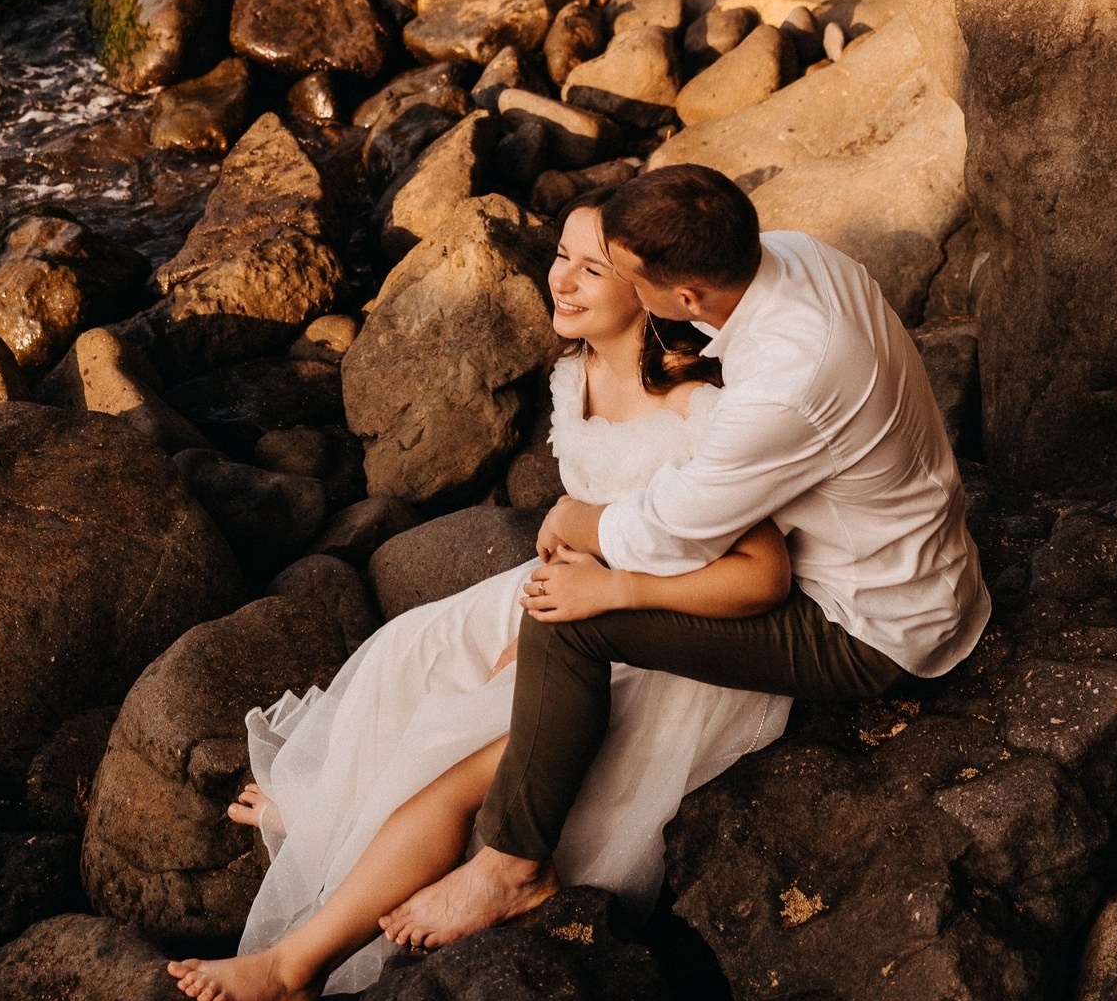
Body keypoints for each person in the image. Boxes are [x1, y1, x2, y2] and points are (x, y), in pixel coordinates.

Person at [168, 201, 794, 1001]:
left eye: (591, 269)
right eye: (562, 256)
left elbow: (763, 573)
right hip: (587, 591)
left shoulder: (697, 407)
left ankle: (296, 966)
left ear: (648, 290)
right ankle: (331, 809)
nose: (561, 279)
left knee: (458, 752)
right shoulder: (576, 374)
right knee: (411, 651)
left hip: (678, 626)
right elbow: (595, 507)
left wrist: (595, 600)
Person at [383, 164, 990, 950]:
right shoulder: (800, 254)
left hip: (867, 626)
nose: (629, 296)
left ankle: (511, 867)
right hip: (923, 563)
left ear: (688, 300)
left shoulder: (786, 382)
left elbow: (667, 532)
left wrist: (579, 519)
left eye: (633, 281)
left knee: (569, 618)